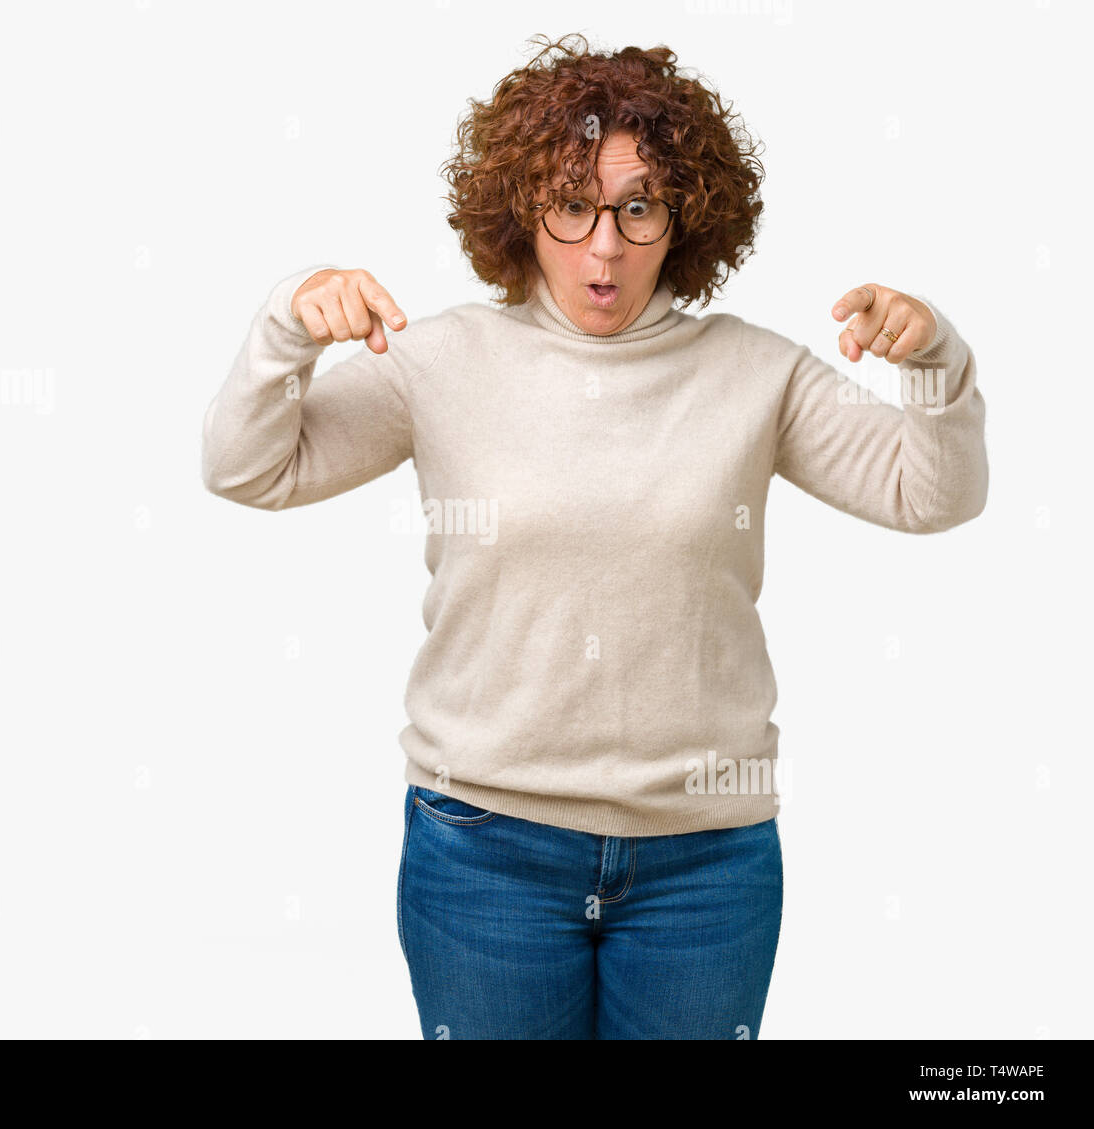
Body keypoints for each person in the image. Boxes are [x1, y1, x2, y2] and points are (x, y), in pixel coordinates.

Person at [200, 33, 988, 1039]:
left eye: (637, 206)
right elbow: (245, 468)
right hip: (484, 851)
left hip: (703, 865)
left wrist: (936, 364)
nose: (604, 248)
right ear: (523, 211)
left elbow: (933, 495)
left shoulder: (758, 374)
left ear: (683, 215)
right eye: (571, 205)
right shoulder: (437, 362)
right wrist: (287, 330)